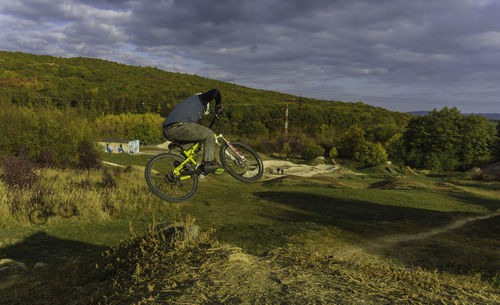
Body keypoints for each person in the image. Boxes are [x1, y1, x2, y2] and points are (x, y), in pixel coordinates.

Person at [162, 89, 223, 173]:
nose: (201, 115)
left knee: (193, 144)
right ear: (206, 106)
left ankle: (182, 162)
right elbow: (215, 92)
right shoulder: (201, 99)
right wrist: (218, 105)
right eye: (203, 112)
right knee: (209, 134)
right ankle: (208, 162)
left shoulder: (186, 104)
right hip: (179, 126)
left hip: (169, 130)